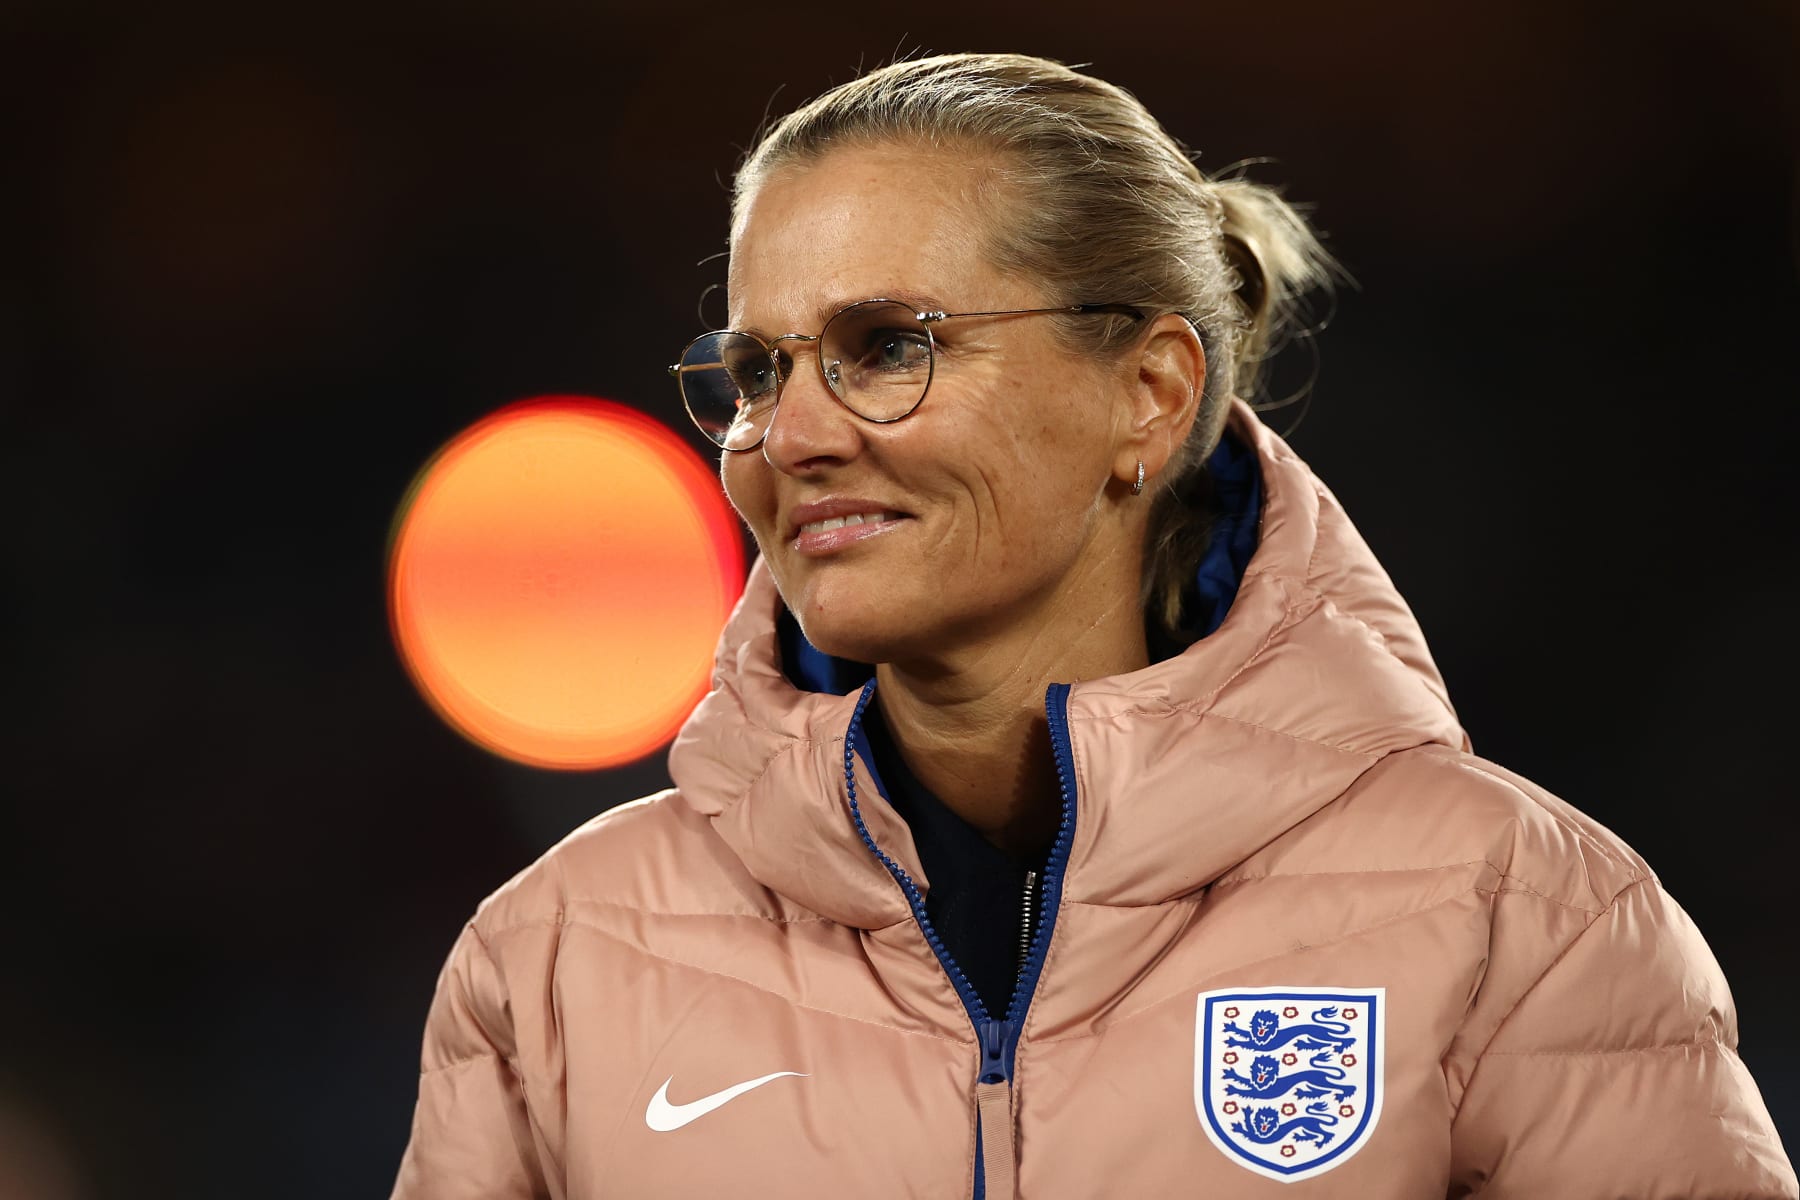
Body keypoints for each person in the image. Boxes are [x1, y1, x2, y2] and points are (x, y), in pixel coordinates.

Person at [391, 53, 1796, 1198]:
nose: (792, 435)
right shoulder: (560, 957)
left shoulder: (1525, 922)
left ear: (1151, 395)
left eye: (887, 347)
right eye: (761, 370)